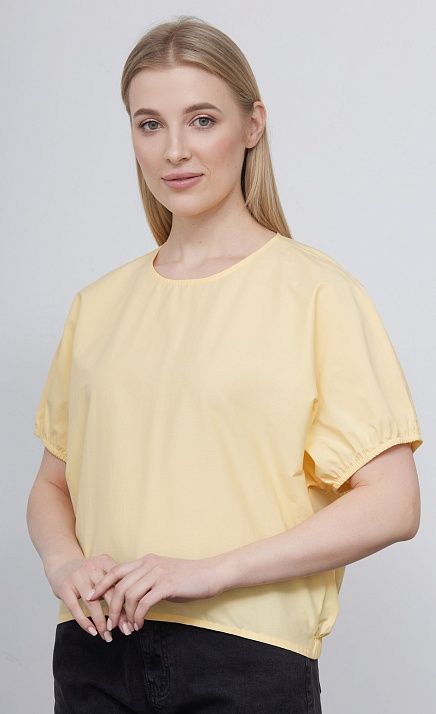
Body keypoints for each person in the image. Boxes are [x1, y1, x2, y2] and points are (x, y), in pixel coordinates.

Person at [27, 15, 424, 714]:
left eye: (202, 120)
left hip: (245, 659)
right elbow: (52, 485)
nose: (174, 150)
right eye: (150, 125)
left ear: (252, 125)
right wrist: (65, 565)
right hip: (95, 649)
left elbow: (394, 502)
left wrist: (210, 573)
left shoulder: (317, 294)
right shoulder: (98, 305)